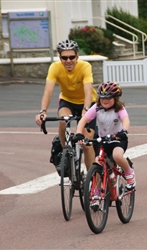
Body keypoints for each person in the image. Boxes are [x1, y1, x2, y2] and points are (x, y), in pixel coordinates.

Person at [35, 39, 97, 172]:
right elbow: (48, 90)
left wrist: (86, 109)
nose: (68, 61)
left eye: (71, 57)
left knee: (86, 144)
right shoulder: (55, 67)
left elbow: (88, 90)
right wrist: (43, 111)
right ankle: (66, 153)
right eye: (64, 58)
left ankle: (91, 182)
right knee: (63, 121)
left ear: (77, 56)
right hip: (67, 100)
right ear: (60, 58)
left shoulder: (85, 66)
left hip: (88, 102)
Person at [74, 81, 136, 190]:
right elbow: (83, 120)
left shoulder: (119, 108)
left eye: (108, 98)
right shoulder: (97, 107)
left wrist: (124, 131)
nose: (105, 101)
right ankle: (96, 193)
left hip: (117, 139)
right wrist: (79, 133)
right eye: (102, 98)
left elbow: (126, 120)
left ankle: (129, 173)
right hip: (102, 140)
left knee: (117, 156)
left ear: (115, 98)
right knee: (98, 163)